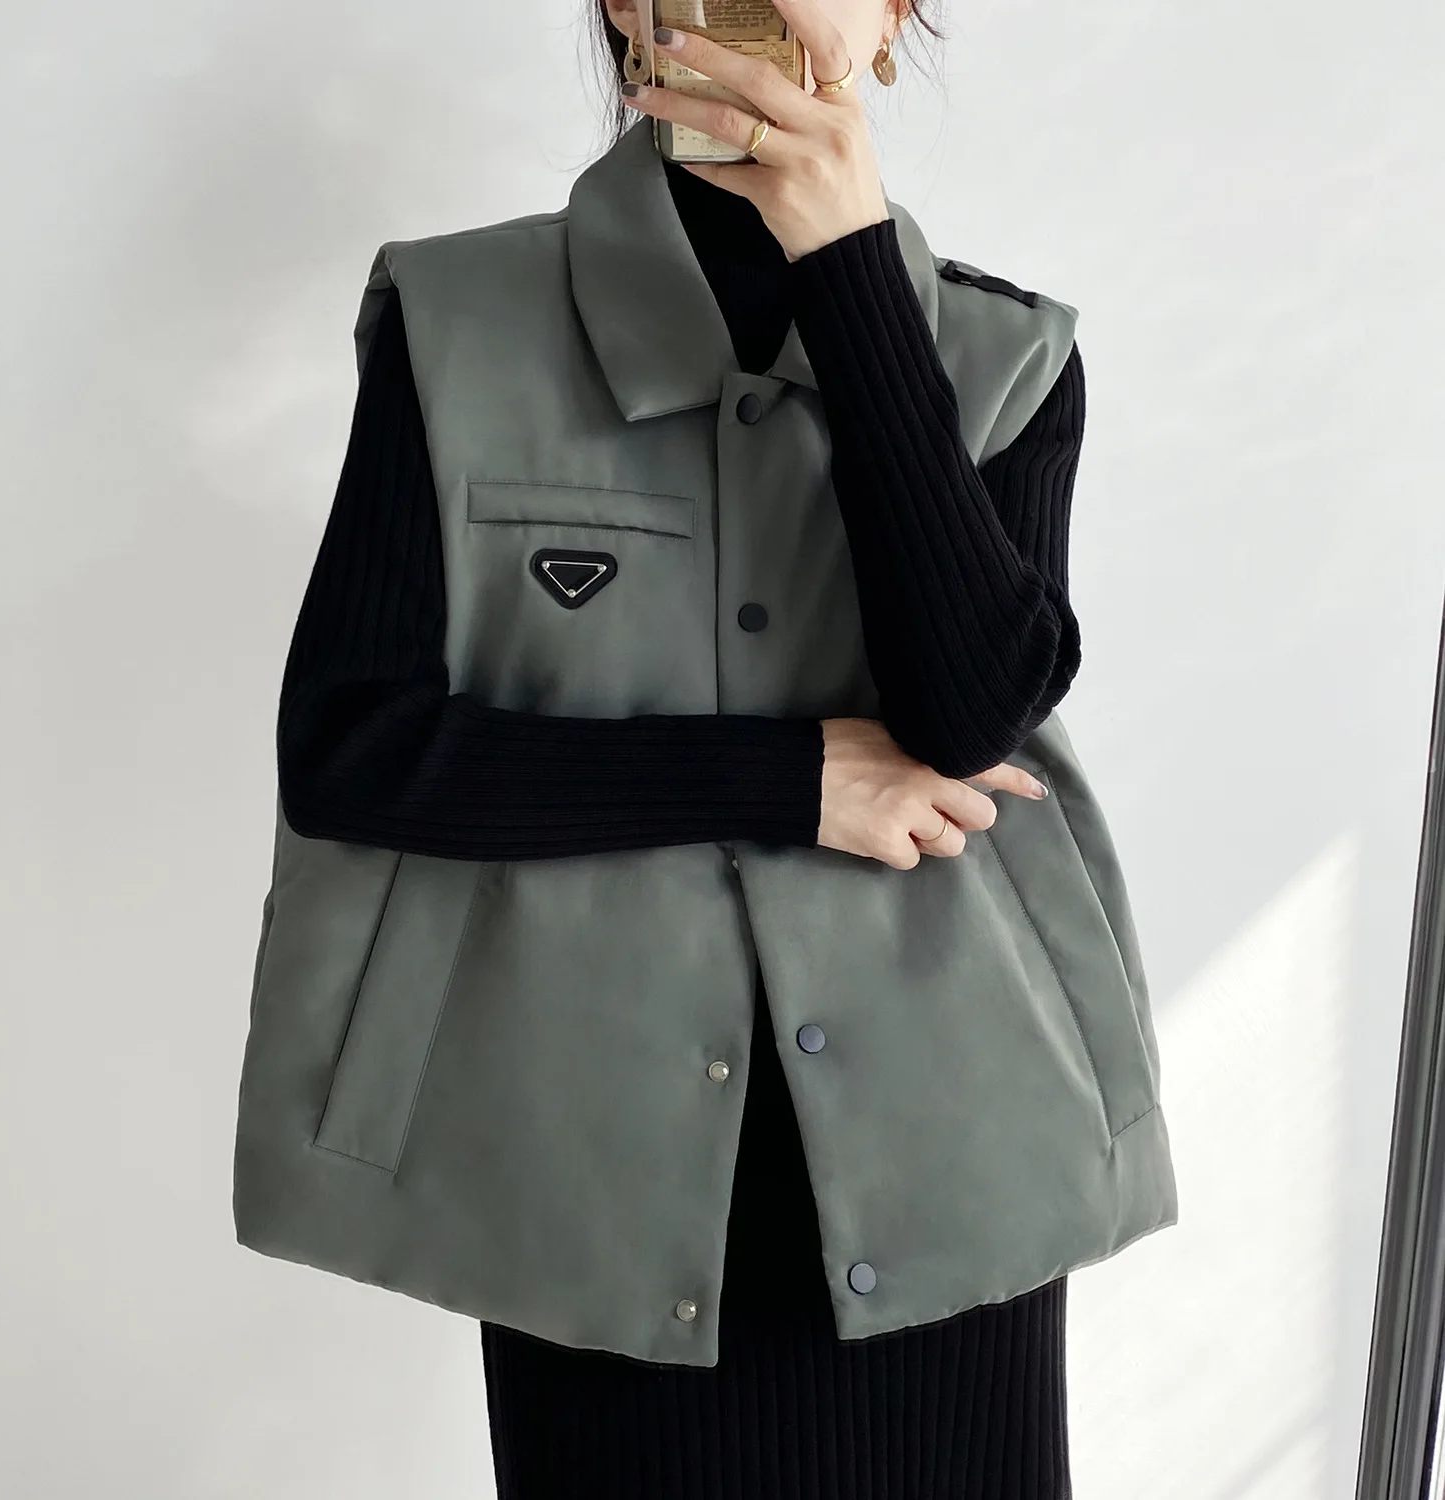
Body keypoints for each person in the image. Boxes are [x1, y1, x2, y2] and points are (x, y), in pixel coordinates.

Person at [274, 1, 1088, 1494]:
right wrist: (784, 780)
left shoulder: (1004, 350)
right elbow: (351, 751)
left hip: (951, 1172)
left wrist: (851, 270)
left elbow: (970, 713)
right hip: (596, 1186)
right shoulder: (460, 326)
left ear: (894, 15)